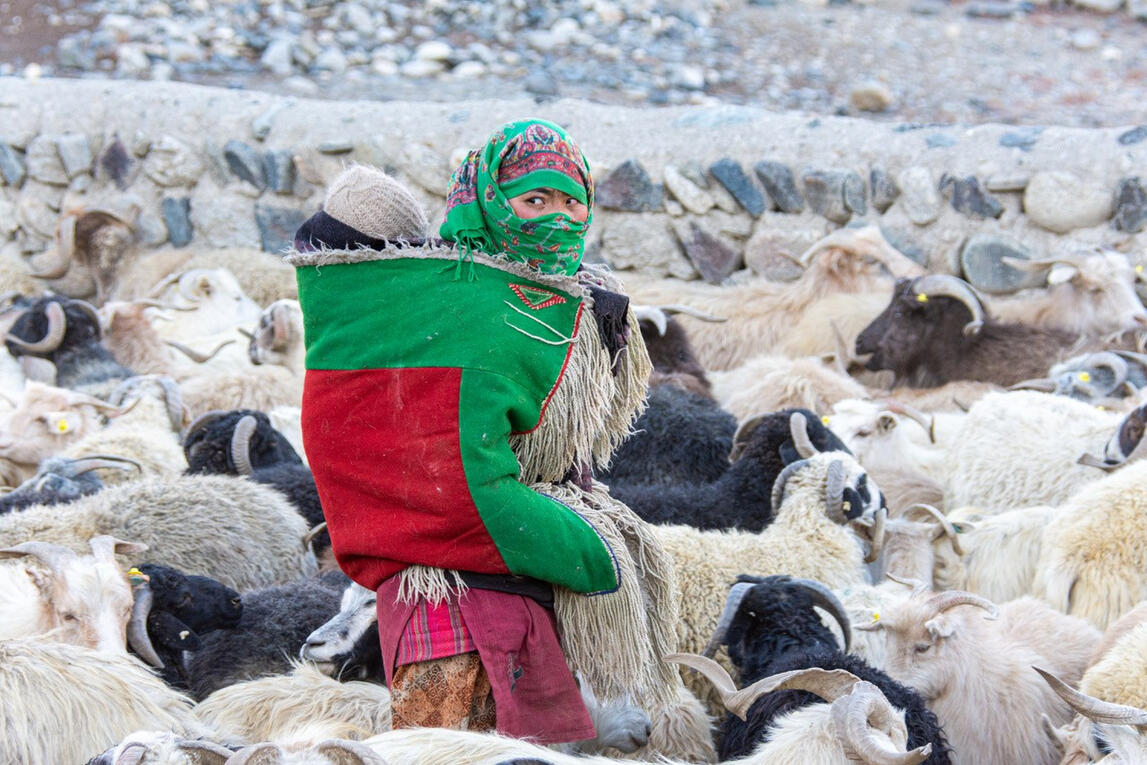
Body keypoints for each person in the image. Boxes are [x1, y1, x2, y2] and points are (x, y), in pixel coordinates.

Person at [290, 118, 627, 744]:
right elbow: (456, 483)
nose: (556, 219)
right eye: (534, 200)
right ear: (489, 201)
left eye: (572, 202)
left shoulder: (558, 301)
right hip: (454, 601)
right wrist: (596, 549)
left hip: (511, 591)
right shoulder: (452, 308)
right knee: (447, 751)